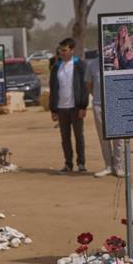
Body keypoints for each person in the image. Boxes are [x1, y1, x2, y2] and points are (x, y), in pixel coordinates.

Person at [49, 37, 88, 173]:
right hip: (61, 109)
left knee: (79, 137)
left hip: (76, 108)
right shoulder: (56, 67)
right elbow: (53, 88)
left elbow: (84, 87)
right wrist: (53, 109)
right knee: (65, 138)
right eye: (60, 50)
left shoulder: (80, 65)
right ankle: (68, 164)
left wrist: (83, 106)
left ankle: (81, 163)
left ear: (72, 50)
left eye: (65, 50)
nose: (62, 53)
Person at [85, 53, 123, 177]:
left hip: (116, 103)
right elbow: (89, 85)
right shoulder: (92, 64)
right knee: (103, 137)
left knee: (118, 137)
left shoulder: (119, 61)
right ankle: (108, 166)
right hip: (99, 104)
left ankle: (118, 167)